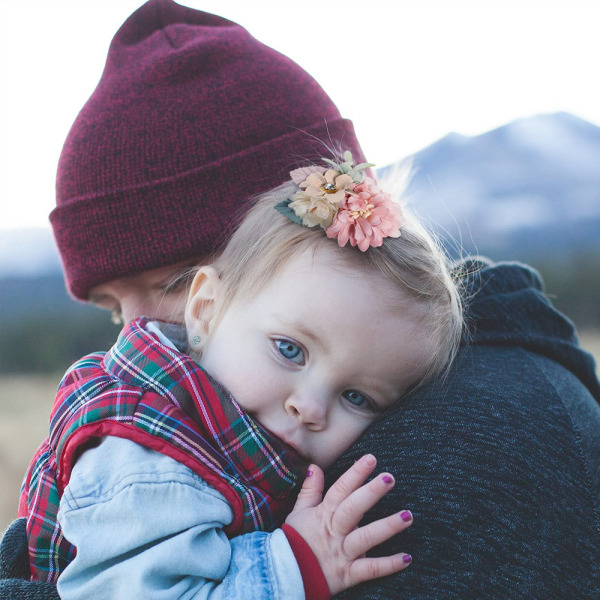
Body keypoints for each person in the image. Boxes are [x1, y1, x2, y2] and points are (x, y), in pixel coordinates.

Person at [2, 0, 600, 598]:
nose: (133, 337)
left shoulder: (461, 442)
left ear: (296, 234)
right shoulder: (156, 437)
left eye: (174, 283)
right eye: (112, 307)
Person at [19, 145, 462, 600]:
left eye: (357, 397)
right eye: (290, 350)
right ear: (206, 310)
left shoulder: (225, 435)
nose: (309, 407)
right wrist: (294, 565)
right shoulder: (148, 460)